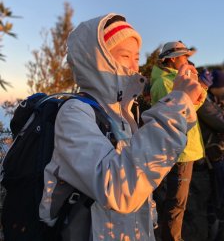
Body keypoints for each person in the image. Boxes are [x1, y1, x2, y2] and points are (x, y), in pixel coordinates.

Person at [39, 14, 204, 241]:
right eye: (125, 56)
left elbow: (141, 174)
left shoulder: (124, 112)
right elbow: (118, 188)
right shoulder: (75, 113)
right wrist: (177, 102)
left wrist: (186, 105)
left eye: (136, 57)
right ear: (95, 60)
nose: (134, 66)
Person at [150, 40, 206, 241]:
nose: (188, 60)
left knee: (173, 201)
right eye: (184, 56)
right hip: (180, 151)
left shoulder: (169, 81)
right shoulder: (167, 83)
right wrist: (203, 89)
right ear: (172, 59)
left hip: (180, 149)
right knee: (176, 203)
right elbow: (183, 113)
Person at [197, 69, 224, 241]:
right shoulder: (203, 101)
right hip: (212, 157)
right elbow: (220, 123)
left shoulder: (210, 100)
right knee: (217, 201)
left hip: (213, 156)